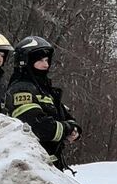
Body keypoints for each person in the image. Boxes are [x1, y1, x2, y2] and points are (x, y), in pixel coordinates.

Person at [4, 35, 79, 169]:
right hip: (30, 167)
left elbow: (66, 117)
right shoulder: (21, 89)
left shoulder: (45, 90)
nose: (46, 65)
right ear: (25, 61)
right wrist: (66, 129)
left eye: (46, 60)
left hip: (49, 166)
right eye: (40, 60)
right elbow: (39, 127)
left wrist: (74, 129)